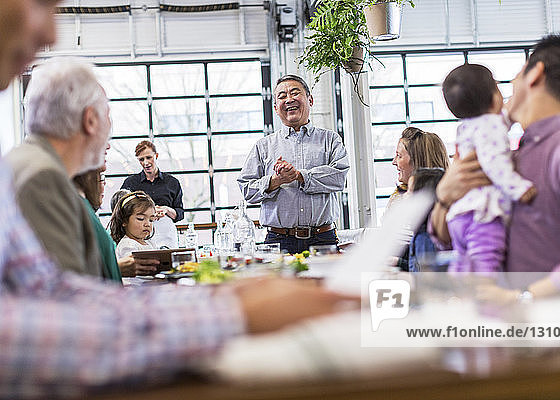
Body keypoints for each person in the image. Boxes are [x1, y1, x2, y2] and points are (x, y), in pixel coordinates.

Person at [0, 3, 355, 396]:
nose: (51, 35)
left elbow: (55, 292)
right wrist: (233, 312)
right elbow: (55, 329)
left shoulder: (25, 174)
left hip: (320, 236)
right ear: (91, 121)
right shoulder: (37, 180)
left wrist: (220, 299)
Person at [430, 33, 560, 302]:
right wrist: (444, 197)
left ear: (535, 74)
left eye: (517, 74)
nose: (509, 84)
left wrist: (524, 297)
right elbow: (444, 239)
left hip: (559, 333)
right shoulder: (502, 154)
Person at [6, 58, 109, 278]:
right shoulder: (44, 179)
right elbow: (65, 299)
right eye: (108, 116)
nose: (108, 140)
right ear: (90, 120)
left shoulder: (20, 163)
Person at [440, 63, 537, 273]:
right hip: (482, 216)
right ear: (495, 99)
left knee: (463, 263)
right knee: (486, 267)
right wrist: (518, 187)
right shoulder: (491, 126)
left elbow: (502, 121)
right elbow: (495, 163)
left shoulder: (467, 126)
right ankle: (489, 303)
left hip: (460, 215)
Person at [238, 74, 349, 254]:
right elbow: (246, 190)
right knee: (281, 284)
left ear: (310, 100)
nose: (289, 99)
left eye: (295, 93)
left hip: (323, 238)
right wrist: (275, 181)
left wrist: (300, 176)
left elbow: (339, 176)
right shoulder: (263, 146)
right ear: (275, 108)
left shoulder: (330, 139)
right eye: (282, 96)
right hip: (279, 241)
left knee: (325, 283)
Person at [121, 140, 183, 249]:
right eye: (141, 159)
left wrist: (167, 210)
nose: (146, 163)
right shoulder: (130, 183)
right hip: (140, 237)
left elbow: (180, 213)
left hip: (167, 235)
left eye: (149, 157)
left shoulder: (172, 182)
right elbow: (122, 211)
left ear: (156, 155)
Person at [73, 166, 123, 283]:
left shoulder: (90, 213)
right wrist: (120, 268)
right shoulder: (80, 211)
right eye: (100, 178)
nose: (104, 184)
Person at [387, 127, 449, 209]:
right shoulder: (398, 197)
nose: (394, 162)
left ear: (417, 162)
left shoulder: (447, 204)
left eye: (399, 156)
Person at [405, 168, 445, 272]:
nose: (405, 196)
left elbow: (425, 280)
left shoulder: (425, 239)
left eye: (410, 192)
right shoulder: (421, 233)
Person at [110, 191, 159, 261]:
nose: (147, 224)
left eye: (151, 220)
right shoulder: (127, 245)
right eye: (141, 219)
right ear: (124, 220)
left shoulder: (150, 242)